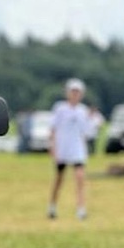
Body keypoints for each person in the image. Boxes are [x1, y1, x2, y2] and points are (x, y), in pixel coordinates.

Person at [48, 78, 90, 220]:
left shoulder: (82, 111)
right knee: (59, 179)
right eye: (73, 92)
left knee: (80, 178)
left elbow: (84, 132)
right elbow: (53, 129)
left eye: (77, 92)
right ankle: (52, 206)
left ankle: (81, 209)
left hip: (77, 149)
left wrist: (85, 150)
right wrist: (53, 147)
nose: (75, 95)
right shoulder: (60, 108)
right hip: (63, 148)